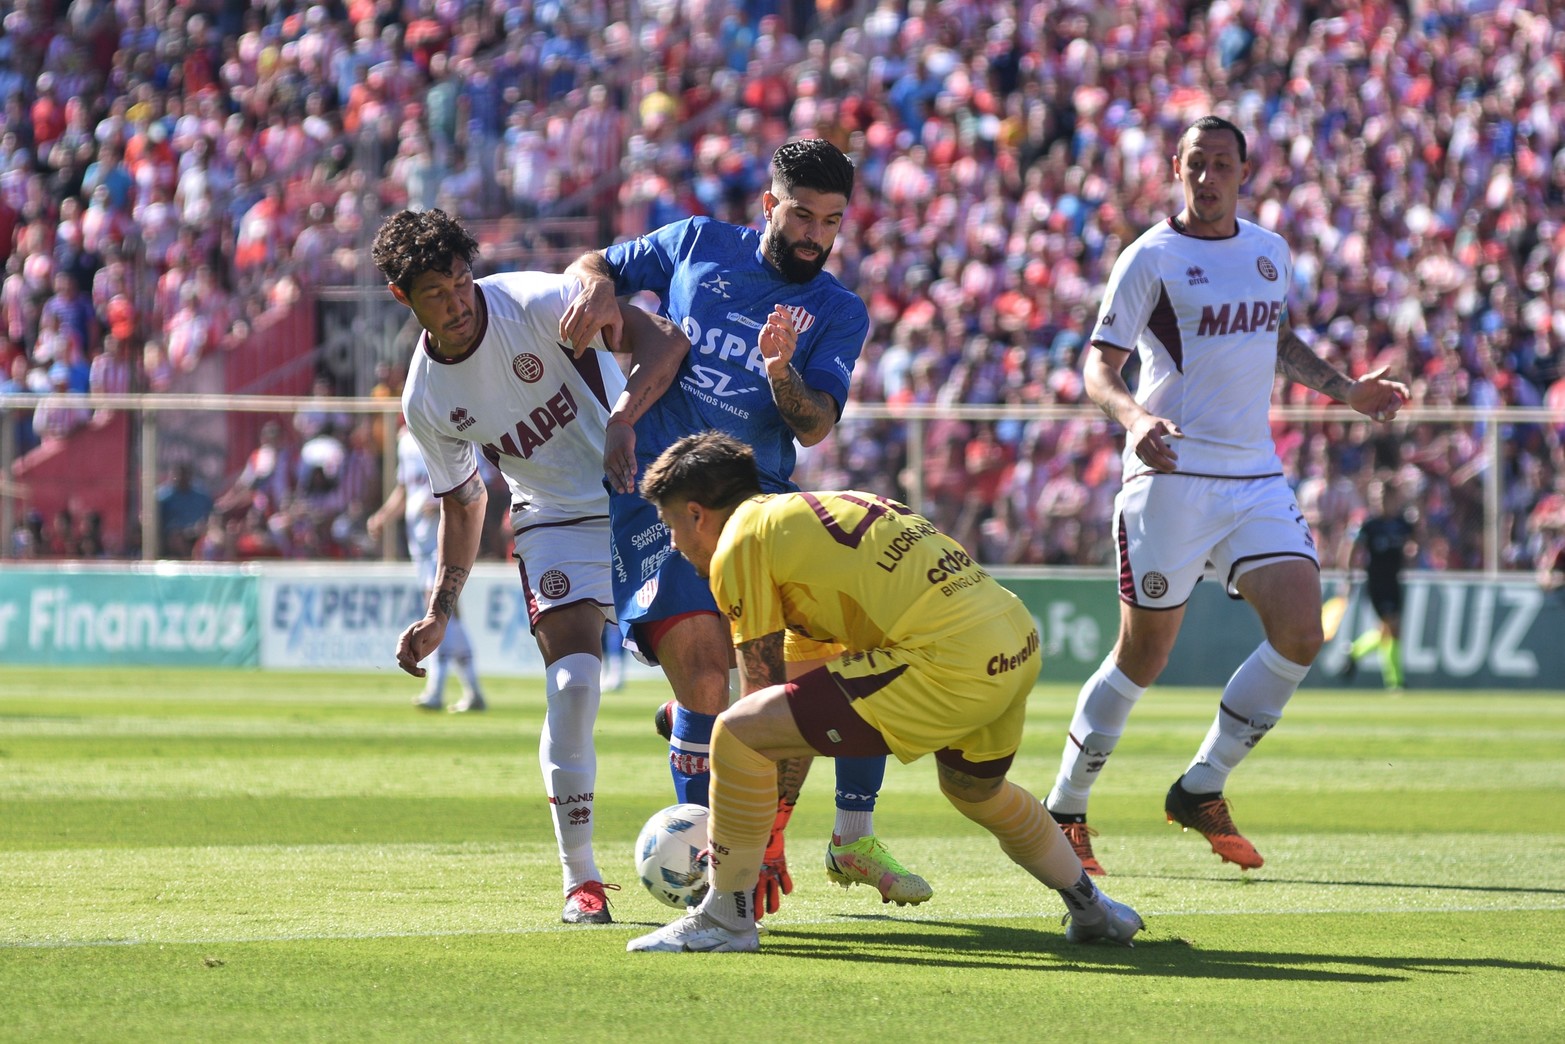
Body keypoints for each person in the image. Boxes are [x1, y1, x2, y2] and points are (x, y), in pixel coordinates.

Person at [559, 138, 928, 914]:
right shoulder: (695, 243)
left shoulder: (837, 311)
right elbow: (599, 264)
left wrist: (781, 375)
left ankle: (841, 832)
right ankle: (722, 864)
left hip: (761, 505)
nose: (813, 235)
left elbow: (818, 426)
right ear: (769, 204)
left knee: (857, 647)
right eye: (800, 214)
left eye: (829, 222)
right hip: (661, 495)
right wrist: (593, 285)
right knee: (704, 671)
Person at [1042, 116, 1410, 876]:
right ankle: (1065, 807)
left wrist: (1344, 390)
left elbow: (1276, 338)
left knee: (1301, 633)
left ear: (1244, 171)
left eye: (1221, 165)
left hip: (1253, 476)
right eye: (1194, 164)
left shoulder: (1268, 251)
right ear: (1175, 168)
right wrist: (1135, 417)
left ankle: (1200, 786)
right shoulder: (1150, 257)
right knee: (1141, 657)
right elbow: (1097, 367)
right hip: (1167, 474)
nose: (1207, 177)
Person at [625, 432, 1144, 953]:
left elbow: (759, 704)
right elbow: (794, 689)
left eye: (670, 524)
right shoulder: (805, 524)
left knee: (736, 733)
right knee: (977, 791)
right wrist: (770, 824)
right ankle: (1094, 909)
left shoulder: (739, 541)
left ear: (697, 514)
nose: (672, 542)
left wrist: (752, 840)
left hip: (951, 655)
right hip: (1014, 635)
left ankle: (724, 918)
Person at [372, 207, 689, 925]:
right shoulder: (426, 398)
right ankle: (581, 879)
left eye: (460, 281)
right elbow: (462, 504)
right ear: (405, 298)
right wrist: (438, 610)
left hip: (645, 497)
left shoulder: (536, 300)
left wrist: (624, 418)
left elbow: (664, 343)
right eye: (435, 293)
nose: (455, 303)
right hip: (552, 518)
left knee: (715, 679)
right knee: (574, 683)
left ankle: (708, 778)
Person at [368, 423, 486, 712]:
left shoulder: (452, 431)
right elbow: (406, 488)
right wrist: (383, 516)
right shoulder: (406, 441)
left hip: (443, 536)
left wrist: (443, 504)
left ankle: (439, 688)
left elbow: (475, 481)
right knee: (442, 612)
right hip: (418, 540)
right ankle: (471, 691)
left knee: (441, 610)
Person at [1339, 478, 1418, 690]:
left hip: (1394, 581)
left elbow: (1417, 539)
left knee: (1391, 631)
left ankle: (1355, 651)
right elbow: (1351, 548)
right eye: (1376, 497)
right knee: (1391, 626)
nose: (1380, 501)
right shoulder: (1368, 524)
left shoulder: (1401, 523)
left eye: (1384, 497)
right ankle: (1396, 682)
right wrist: (1348, 576)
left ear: (1393, 498)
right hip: (1376, 582)